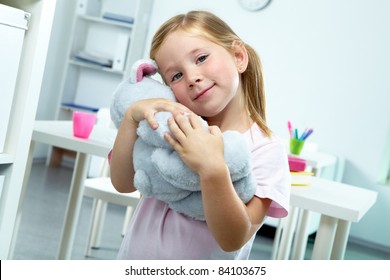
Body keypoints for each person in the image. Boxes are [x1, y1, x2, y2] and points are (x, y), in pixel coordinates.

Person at [109, 10, 290, 259]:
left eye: (201, 58)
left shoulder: (266, 148)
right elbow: (122, 182)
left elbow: (234, 238)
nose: (192, 78)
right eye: (176, 75)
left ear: (238, 56)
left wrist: (212, 169)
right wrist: (131, 118)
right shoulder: (170, 126)